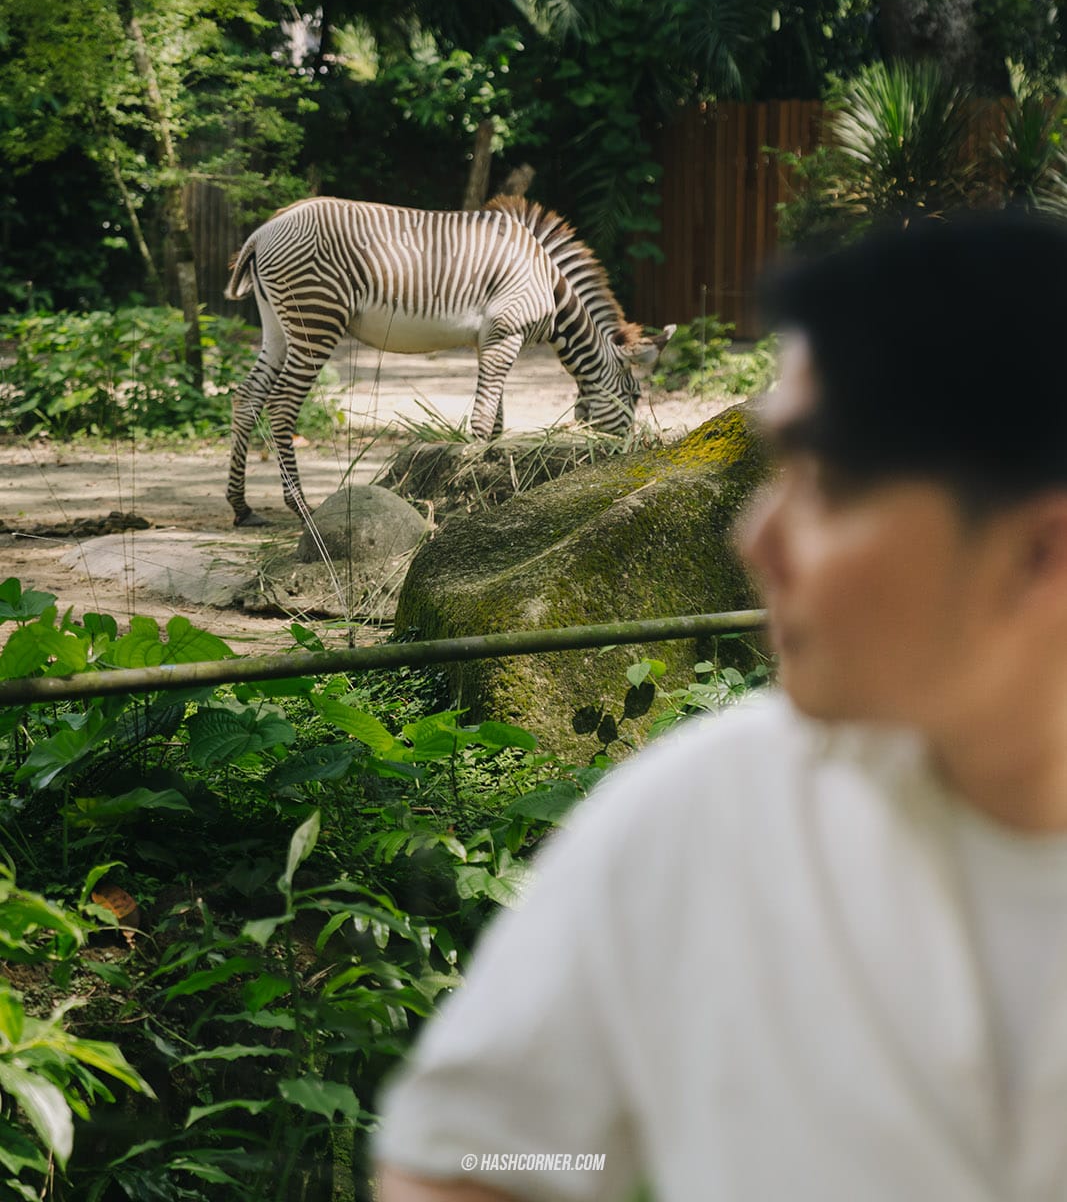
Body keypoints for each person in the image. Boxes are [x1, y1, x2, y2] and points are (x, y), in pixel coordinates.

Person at [375, 210, 1067, 1202]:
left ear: (1040, 554)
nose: (757, 539)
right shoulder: (706, 809)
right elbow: (476, 1158)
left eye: (823, 483)